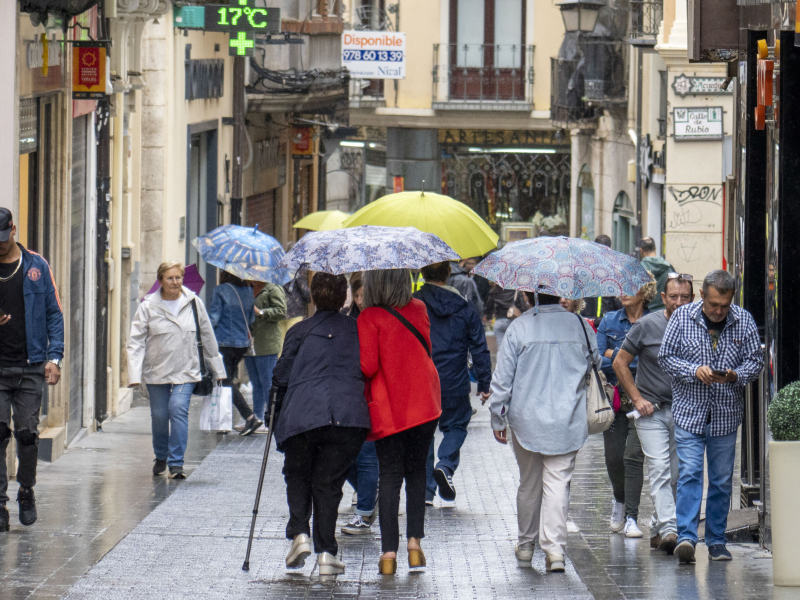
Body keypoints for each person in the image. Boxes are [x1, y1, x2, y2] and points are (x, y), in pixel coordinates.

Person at [490, 289, 600, 573]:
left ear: (528, 297)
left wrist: (497, 418)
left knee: (529, 484)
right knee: (557, 484)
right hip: (568, 418)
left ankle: (526, 546)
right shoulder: (580, 326)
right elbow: (595, 363)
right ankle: (554, 551)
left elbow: (502, 380)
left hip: (527, 419)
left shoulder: (519, 327)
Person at [658, 270, 762, 564]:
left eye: (724, 305)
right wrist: (694, 370)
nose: (718, 311)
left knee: (720, 480)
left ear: (732, 300)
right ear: (702, 295)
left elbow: (755, 363)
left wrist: (734, 376)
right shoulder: (681, 318)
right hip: (689, 413)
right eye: (713, 304)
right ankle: (687, 537)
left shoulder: (744, 321)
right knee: (690, 473)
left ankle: (716, 540)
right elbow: (665, 358)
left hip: (726, 415)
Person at [272, 273, 370, 576]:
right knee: (328, 484)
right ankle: (326, 552)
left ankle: (300, 533)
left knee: (297, 473)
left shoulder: (299, 331)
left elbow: (280, 377)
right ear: (343, 297)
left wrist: (272, 416)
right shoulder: (359, 330)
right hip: (347, 416)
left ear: (312, 297)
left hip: (303, 414)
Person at [358, 269, 441, 575]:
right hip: (424, 402)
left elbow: (367, 366)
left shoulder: (368, 317)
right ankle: (415, 546)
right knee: (417, 471)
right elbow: (426, 349)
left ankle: (389, 554)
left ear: (373, 285)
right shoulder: (419, 308)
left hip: (391, 407)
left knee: (390, 476)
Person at [612, 274, 694, 554]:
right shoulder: (648, 324)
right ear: (663, 298)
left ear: (692, 298)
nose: (679, 302)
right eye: (673, 296)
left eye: (685, 297)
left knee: (675, 474)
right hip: (651, 412)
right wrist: (636, 398)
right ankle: (672, 529)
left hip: (685, 411)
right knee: (659, 468)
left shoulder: (698, 326)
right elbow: (620, 361)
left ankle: (659, 530)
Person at [128, 262, 226, 480]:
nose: (175, 282)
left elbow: (208, 336)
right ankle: (161, 455)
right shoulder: (148, 306)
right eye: (170, 278)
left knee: (178, 409)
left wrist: (217, 368)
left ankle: (176, 463)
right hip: (157, 370)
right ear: (160, 280)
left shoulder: (193, 303)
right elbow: (136, 342)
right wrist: (134, 375)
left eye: (178, 278)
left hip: (186, 369)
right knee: (160, 416)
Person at [0, 209, 64, 531]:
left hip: (30, 366)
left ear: (13, 229)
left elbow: (54, 312)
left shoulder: (36, 265)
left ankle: (26, 490)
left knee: (27, 436)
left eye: (3, 237)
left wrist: (55, 358)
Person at [414, 262, 491, 505]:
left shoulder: (412, 304)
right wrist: (484, 382)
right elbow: (479, 345)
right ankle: (445, 465)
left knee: (424, 433)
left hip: (422, 380)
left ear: (422, 273)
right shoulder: (464, 307)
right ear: (448, 273)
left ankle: (426, 492)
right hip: (454, 380)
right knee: (457, 425)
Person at [596, 280, 657, 538]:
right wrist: (627, 356)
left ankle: (632, 517)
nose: (622, 292)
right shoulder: (609, 321)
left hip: (644, 396)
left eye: (629, 288)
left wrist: (618, 353)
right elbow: (600, 358)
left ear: (645, 293)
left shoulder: (654, 321)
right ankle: (619, 500)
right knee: (613, 457)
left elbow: (655, 360)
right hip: (615, 397)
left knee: (633, 457)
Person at [341, 272, 381, 536]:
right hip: (349, 392)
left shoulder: (380, 319)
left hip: (372, 394)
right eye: (357, 295)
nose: (360, 300)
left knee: (366, 455)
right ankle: (369, 493)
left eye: (364, 295)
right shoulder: (347, 319)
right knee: (342, 454)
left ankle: (365, 510)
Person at [209, 271, 262, 436]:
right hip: (241, 344)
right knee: (227, 380)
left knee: (224, 380)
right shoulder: (248, 291)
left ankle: (249, 416)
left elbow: (214, 318)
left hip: (223, 342)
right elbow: (251, 319)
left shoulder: (221, 290)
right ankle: (225, 421)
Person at [243, 278, 286, 433]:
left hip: (266, 343)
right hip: (249, 342)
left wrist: (261, 312)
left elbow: (282, 311)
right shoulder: (246, 289)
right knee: (255, 382)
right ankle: (257, 417)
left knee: (267, 382)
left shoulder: (273, 289)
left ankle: (272, 418)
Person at [580, 235, 623, 325]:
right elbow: (618, 301)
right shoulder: (615, 271)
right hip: (607, 321)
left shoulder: (584, 269)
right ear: (610, 249)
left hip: (586, 320)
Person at [484, 283, 530, 349]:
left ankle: (500, 359)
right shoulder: (516, 291)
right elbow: (522, 306)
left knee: (501, 348)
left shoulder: (495, 291)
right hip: (512, 322)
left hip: (499, 321)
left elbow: (489, 307)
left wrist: (489, 317)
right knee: (513, 348)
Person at [639, 237, 675, 312]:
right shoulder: (669, 267)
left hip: (646, 313)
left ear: (641, 250)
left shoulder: (638, 269)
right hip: (665, 313)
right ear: (655, 248)